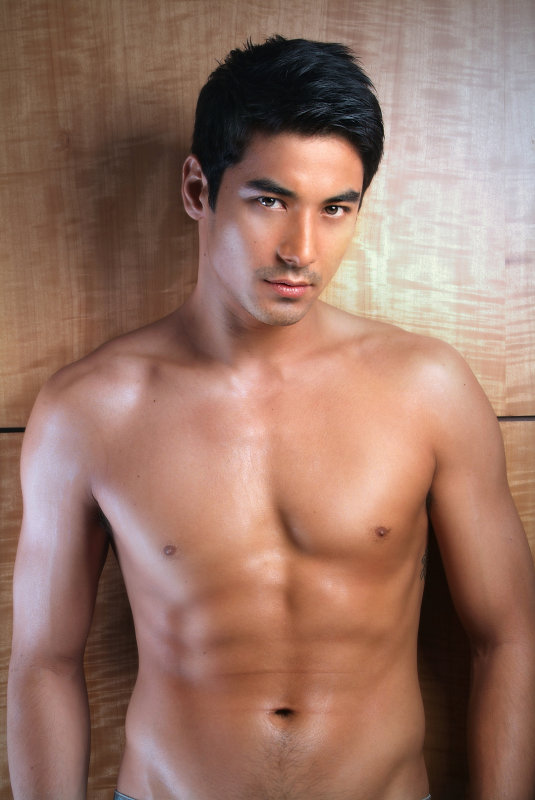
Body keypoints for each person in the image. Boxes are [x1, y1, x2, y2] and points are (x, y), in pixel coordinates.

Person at [7, 35, 535, 800]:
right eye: (269, 201)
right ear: (198, 188)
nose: (301, 250)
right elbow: (45, 663)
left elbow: (509, 636)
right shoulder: (88, 410)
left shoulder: (427, 390)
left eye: (335, 209)